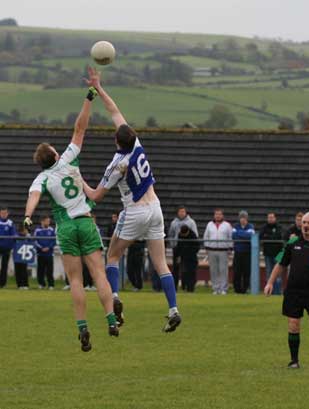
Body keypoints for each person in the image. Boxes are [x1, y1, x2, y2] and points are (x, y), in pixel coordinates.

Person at [82, 67, 181, 332]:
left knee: (112, 256)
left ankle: (114, 299)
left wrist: (75, 175)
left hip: (135, 211)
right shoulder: (136, 145)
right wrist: (100, 88)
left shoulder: (118, 164)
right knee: (160, 262)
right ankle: (173, 310)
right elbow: (115, 112)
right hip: (156, 207)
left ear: (116, 141)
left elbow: (96, 195)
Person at [24, 80, 119, 351]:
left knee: (75, 280)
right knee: (98, 274)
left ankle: (83, 328)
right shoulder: (68, 158)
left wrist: (28, 217)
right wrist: (89, 97)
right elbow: (80, 127)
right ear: (54, 153)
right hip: (86, 222)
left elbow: (33, 197)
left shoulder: (41, 178)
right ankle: (111, 319)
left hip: (65, 228)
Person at [264, 212, 309, 369]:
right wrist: (269, 282)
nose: (305, 225)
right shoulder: (292, 243)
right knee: (293, 325)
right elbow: (281, 263)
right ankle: (294, 361)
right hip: (294, 291)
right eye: (304, 222)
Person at [167, 206, 198, 290]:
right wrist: (173, 244)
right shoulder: (174, 223)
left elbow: (195, 235)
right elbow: (171, 234)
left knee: (188, 269)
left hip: (188, 251)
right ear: (178, 213)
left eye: (183, 212)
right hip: (177, 249)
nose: (182, 213)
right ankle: (175, 287)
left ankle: (188, 287)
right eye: (180, 212)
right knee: (176, 269)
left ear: (186, 212)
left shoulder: (191, 222)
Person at [203, 208, 233, 295]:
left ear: (222, 215)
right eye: (216, 214)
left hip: (223, 251)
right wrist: (207, 248)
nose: (218, 216)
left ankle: (223, 289)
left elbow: (230, 237)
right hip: (211, 250)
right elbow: (206, 236)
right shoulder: (209, 225)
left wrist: (230, 248)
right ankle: (215, 288)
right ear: (214, 215)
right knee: (213, 270)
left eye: (219, 214)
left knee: (223, 270)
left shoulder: (227, 225)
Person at [259, 212, 284, 295]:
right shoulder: (264, 227)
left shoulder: (279, 227)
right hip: (267, 254)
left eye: (272, 217)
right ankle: (269, 292)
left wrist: (268, 236)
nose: (270, 219)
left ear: (275, 218)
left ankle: (277, 292)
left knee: (278, 274)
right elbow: (261, 236)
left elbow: (278, 236)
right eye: (269, 217)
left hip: (277, 255)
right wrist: (270, 236)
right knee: (268, 273)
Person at [232, 210, 255, 294]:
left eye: (244, 217)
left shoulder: (250, 226)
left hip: (247, 253)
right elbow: (233, 236)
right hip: (237, 252)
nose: (242, 219)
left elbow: (249, 236)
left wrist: (239, 234)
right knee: (237, 271)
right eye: (241, 217)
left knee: (246, 272)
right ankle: (237, 290)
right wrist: (243, 234)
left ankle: (245, 289)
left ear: (247, 218)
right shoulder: (235, 225)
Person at [35, 215, 56, 290]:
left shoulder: (51, 230)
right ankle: (41, 284)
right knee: (40, 270)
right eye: (47, 221)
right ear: (42, 221)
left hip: (49, 254)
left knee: (50, 270)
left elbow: (54, 240)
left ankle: (51, 285)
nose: (48, 222)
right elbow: (35, 241)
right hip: (40, 253)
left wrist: (49, 247)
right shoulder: (37, 230)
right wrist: (41, 248)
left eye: (49, 221)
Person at [177, 225, 200, 292]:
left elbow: (197, 247)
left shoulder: (193, 236)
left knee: (192, 273)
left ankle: (191, 288)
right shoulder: (180, 234)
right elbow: (178, 246)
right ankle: (184, 287)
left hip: (192, 258)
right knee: (184, 273)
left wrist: (190, 252)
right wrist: (179, 255)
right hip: (183, 258)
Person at [13, 225, 35, 289]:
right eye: (25, 230)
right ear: (22, 230)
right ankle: (19, 285)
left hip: (24, 256)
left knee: (24, 270)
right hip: (17, 256)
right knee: (18, 270)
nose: (26, 231)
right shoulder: (16, 236)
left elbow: (32, 242)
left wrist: (29, 237)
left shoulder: (28, 237)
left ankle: (25, 285)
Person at [0, 207, 17, 288]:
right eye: (2, 213)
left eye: (5, 213)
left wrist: (12, 245)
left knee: (4, 266)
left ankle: (3, 284)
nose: (3, 215)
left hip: (6, 248)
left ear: (7, 214)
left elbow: (14, 234)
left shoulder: (10, 223)